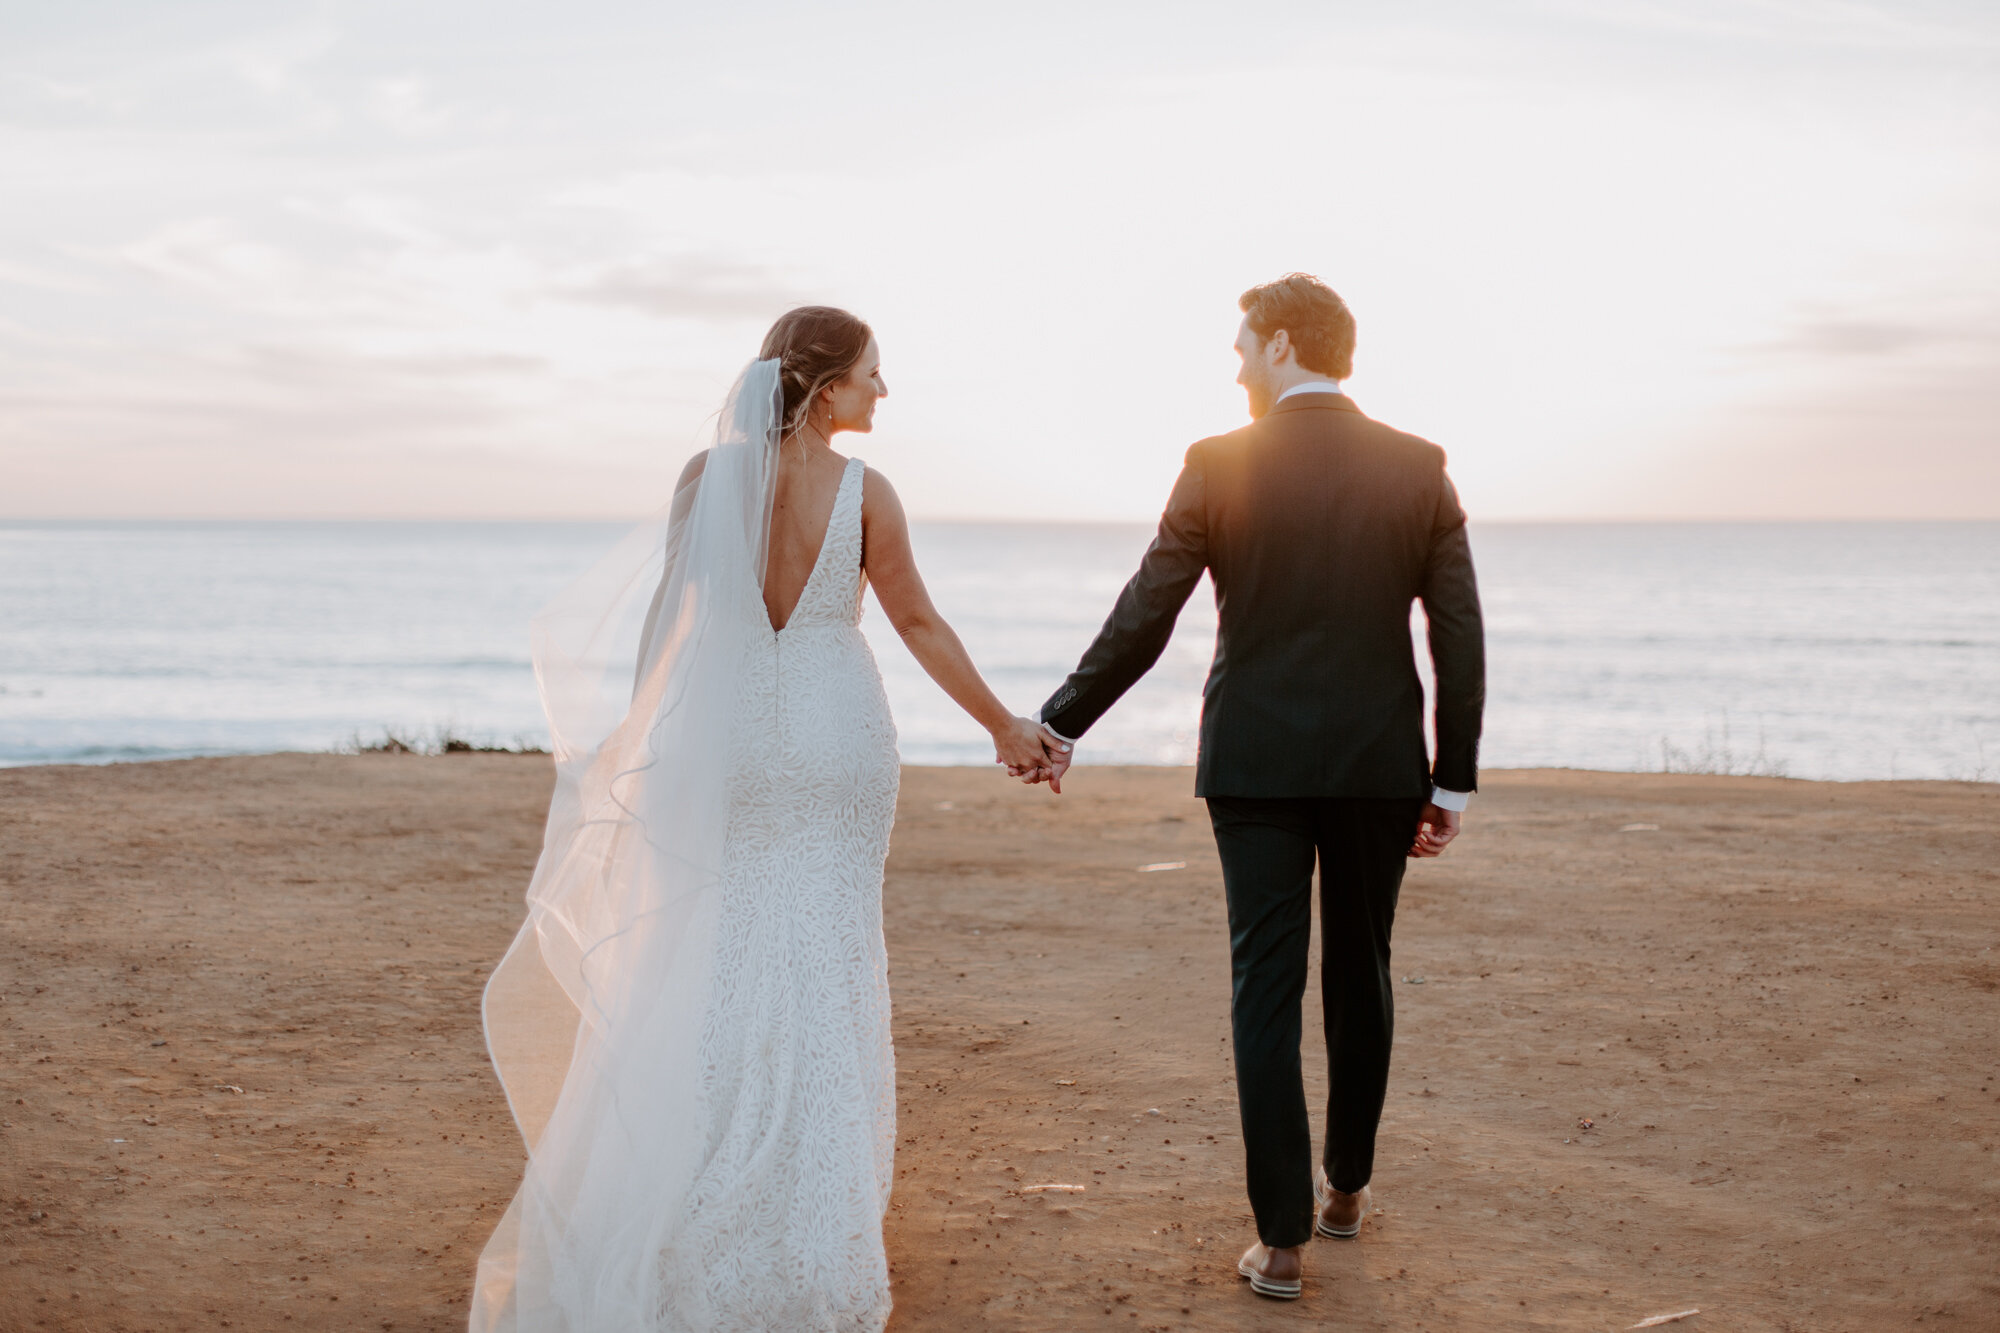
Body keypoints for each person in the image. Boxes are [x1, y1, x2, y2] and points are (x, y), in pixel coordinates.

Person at [469, 306, 1056, 1332]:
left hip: (732, 732)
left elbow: (672, 616)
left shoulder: (705, 480)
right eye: (872, 374)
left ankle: (695, 1181)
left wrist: (633, 736)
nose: (884, 392)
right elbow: (915, 618)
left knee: (717, 948)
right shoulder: (866, 493)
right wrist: (1004, 723)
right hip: (835, 736)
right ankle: (811, 1214)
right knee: (825, 950)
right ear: (825, 388)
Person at [1023, 273, 1485, 1300]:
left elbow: (1148, 609)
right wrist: (1449, 779)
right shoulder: (1418, 468)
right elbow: (1456, 634)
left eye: (1241, 345)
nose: (1233, 364)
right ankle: (1345, 1190)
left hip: (1254, 764)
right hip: (1377, 766)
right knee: (1360, 968)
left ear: (1281, 344)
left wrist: (1060, 723)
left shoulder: (1216, 464)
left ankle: (1279, 1242)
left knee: (1263, 987)